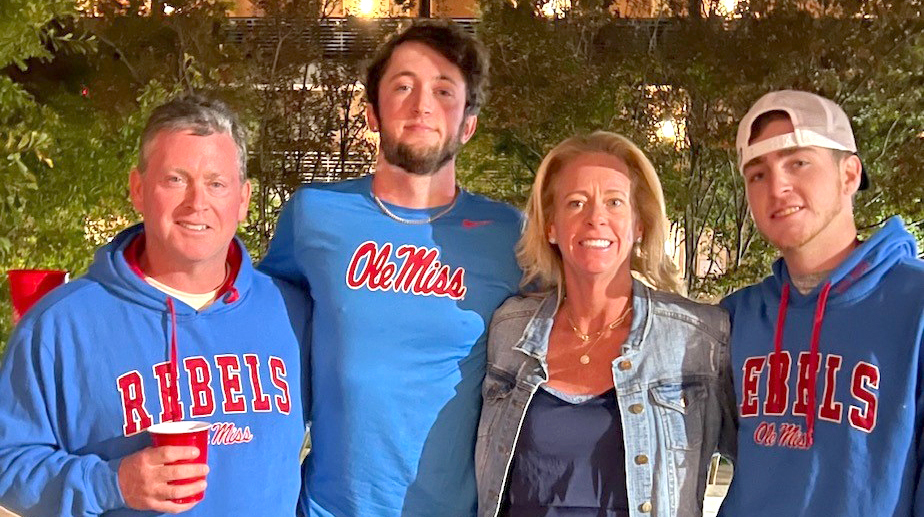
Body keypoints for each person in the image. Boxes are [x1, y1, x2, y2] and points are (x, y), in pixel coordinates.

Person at [259, 20, 522, 517]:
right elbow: (254, 324)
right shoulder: (314, 216)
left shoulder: (509, 234)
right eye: (402, 86)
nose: (421, 104)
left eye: (444, 90)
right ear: (373, 113)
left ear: (468, 123)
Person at [0, 95, 309, 516]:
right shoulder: (60, 325)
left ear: (243, 200)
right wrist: (111, 483)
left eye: (216, 183)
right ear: (138, 189)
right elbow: (8, 465)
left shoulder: (291, 314)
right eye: (175, 180)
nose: (196, 202)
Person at [475, 131, 736, 517]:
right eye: (576, 203)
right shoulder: (509, 329)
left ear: (639, 225)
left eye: (614, 203)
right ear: (550, 227)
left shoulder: (699, 338)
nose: (596, 218)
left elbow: (769, 466)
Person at [718, 90, 924, 516]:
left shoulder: (914, 307)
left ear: (849, 174)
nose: (777, 187)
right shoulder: (739, 317)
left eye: (798, 162)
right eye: (757, 174)